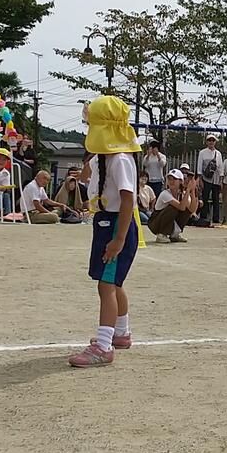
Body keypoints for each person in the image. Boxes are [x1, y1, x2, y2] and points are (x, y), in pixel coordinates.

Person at [68, 96, 140, 368]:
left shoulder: (120, 159)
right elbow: (90, 177)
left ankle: (103, 346)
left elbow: (127, 199)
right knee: (113, 283)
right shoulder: (103, 157)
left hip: (116, 224)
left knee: (106, 285)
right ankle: (121, 333)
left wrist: (119, 239)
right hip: (104, 223)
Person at [148, 169, 198, 243]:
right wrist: (188, 190)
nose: (171, 181)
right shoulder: (165, 193)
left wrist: (192, 190)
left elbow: (191, 210)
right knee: (173, 208)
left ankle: (174, 235)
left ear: (180, 181)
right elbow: (181, 207)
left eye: (174, 179)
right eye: (169, 179)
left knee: (186, 211)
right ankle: (161, 234)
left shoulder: (182, 194)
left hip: (169, 222)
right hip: (155, 223)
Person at [196, 134, 224, 224]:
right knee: (205, 198)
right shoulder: (202, 152)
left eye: (213, 140)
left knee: (216, 199)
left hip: (216, 179)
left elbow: (220, 167)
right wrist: (200, 179)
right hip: (206, 178)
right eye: (209, 140)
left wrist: (221, 180)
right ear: (207, 142)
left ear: (215, 142)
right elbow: (199, 166)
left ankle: (216, 218)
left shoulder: (218, 153)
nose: (211, 142)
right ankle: (203, 217)